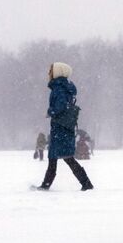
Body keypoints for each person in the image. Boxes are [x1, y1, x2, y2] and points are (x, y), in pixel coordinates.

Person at [33, 62, 94, 191]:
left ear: (57, 72)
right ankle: (47, 184)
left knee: (64, 157)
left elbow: (60, 107)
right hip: (63, 128)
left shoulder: (59, 88)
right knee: (58, 157)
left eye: (51, 70)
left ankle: (86, 183)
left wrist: (50, 112)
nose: (48, 73)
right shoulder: (64, 87)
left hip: (60, 129)